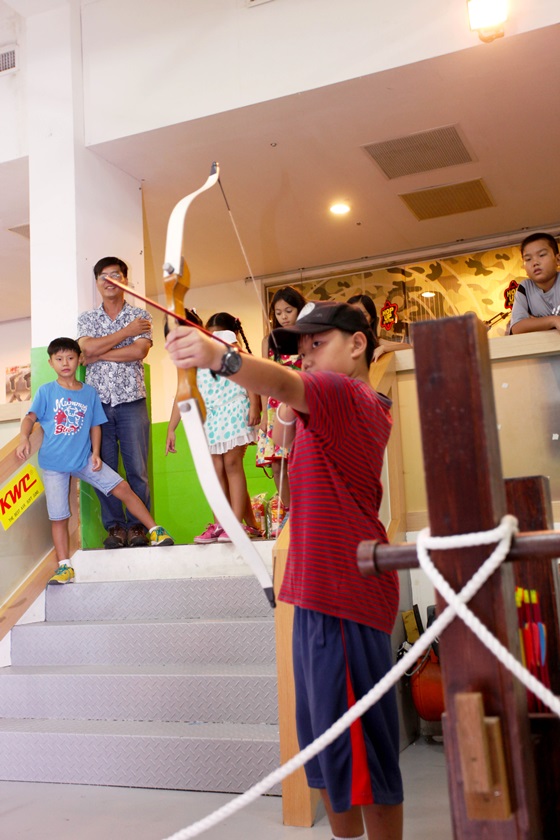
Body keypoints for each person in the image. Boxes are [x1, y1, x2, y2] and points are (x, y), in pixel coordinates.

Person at [166, 301, 403, 840]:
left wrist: (218, 357)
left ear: (358, 343)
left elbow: (282, 381)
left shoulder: (348, 392)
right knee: (329, 749)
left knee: (362, 751)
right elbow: (290, 432)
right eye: (300, 347)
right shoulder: (330, 404)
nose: (306, 355)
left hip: (344, 589)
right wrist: (285, 417)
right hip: (319, 591)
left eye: (318, 343)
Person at [15, 338, 173, 585]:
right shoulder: (46, 391)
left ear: (79, 359)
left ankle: (155, 530)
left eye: (70, 357)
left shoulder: (89, 393)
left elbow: (96, 426)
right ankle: (64, 566)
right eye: (59, 359)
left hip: (83, 460)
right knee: (59, 516)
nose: (65, 363)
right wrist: (24, 437)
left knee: (122, 488)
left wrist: (96, 453)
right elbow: (29, 417)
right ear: (50, 362)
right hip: (54, 465)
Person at [166, 312, 263, 544]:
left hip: (233, 408)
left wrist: (255, 406)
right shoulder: (191, 360)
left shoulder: (231, 347)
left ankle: (236, 524)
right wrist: (171, 428)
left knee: (231, 464)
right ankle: (221, 523)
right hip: (211, 417)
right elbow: (183, 393)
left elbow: (249, 376)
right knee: (215, 469)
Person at [77, 257, 153, 549]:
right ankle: (115, 528)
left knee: (137, 469)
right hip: (97, 405)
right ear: (97, 283)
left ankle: (138, 526)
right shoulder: (87, 318)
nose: (109, 281)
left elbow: (138, 353)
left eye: (116, 275)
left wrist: (98, 353)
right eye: (103, 277)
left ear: (124, 281)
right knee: (103, 469)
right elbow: (86, 347)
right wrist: (124, 334)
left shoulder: (140, 314)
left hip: (132, 401)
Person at [256, 286, 306, 520]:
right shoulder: (270, 340)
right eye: (278, 312)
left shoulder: (308, 336)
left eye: (289, 310)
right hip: (275, 407)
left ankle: (307, 510)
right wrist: (264, 414)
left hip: (301, 405)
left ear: (300, 310)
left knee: (301, 462)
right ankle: (290, 512)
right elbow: (264, 379)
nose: (284, 316)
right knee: (277, 465)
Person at [510, 232, 560, 334]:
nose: (535, 262)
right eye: (528, 259)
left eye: (541, 255)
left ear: (558, 259)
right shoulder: (525, 287)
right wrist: (553, 320)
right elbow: (517, 328)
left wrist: (534, 322)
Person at [348, 293, 411, 362]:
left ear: (371, 320)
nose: (358, 319)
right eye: (353, 315)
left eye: (363, 315)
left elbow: (409, 347)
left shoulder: (375, 342)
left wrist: (384, 348)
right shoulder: (341, 343)